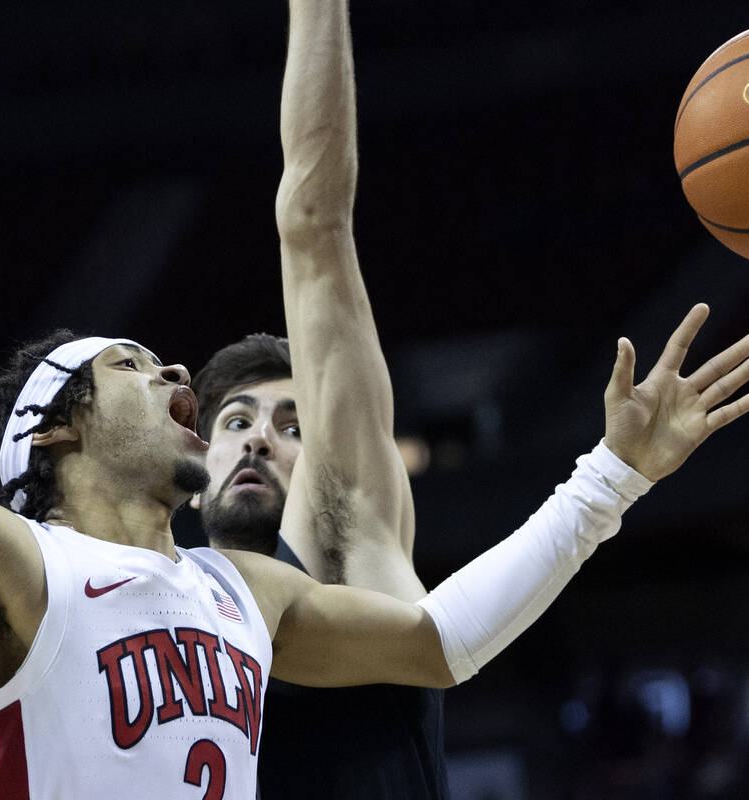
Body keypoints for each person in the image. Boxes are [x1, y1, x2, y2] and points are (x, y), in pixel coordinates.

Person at [0, 19, 749, 800]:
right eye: (134, 365)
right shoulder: (6, 560)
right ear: (58, 427)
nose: (177, 381)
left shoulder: (241, 591)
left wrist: (614, 473)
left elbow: (438, 641)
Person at [189, 5, 443, 794]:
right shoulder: (163, 612)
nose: (260, 438)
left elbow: (313, 221)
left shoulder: (342, 538)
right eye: (236, 421)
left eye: (292, 424)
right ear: (197, 462)